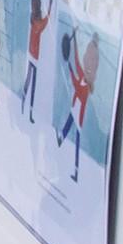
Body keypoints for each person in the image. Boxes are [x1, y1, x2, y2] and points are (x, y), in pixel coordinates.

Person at [54, 32, 100, 182]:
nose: (88, 60)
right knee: (68, 122)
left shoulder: (86, 84)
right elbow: (77, 61)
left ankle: (76, 170)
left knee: (78, 140)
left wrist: (71, 71)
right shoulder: (83, 72)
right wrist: (73, 47)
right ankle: (61, 138)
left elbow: (76, 83)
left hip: (79, 112)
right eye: (87, 57)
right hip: (75, 108)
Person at [20, 0, 52, 123]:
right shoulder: (39, 24)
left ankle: (23, 102)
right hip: (34, 57)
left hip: (31, 54)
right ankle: (30, 110)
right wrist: (51, 7)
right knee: (32, 83)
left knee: (28, 80)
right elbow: (48, 19)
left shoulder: (33, 20)